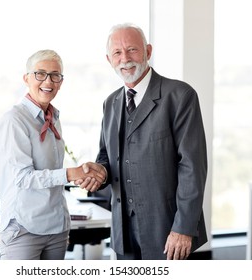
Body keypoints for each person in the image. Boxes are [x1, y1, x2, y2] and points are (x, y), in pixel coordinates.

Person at [77, 23, 208, 260]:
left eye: (132, 50)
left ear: (148, 51)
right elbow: (106, 157)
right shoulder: (111, 103)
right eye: (117, 53)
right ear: (109, 60)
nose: (125, 59)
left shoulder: (180, 95)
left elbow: (192, 167)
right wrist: (97, 174)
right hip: (123, 234)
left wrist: (183, 228)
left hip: (168, 231)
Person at [0, 49, 104, 260]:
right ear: (26, 78)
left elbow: (53, 174)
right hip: (24, 227)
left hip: (56, 228)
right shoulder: (14, 120)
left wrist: (83, 174)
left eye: (55, 75)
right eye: (40, 73)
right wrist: (71, 174)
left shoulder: (53, 117)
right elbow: (23, 177)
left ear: (61, 82)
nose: (48, 80)